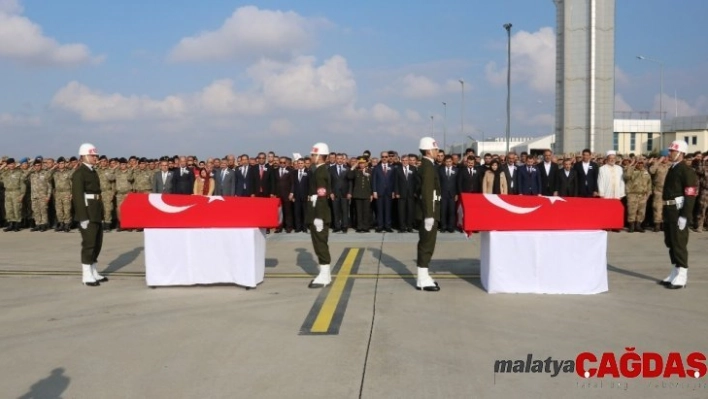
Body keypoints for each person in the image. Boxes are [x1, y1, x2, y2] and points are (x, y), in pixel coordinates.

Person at [659, 140, 699, 289]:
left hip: (678, 211)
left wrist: (684, 215)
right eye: (670, 151)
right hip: (669, 210)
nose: (670, 153)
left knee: (679, 243)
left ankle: (682, 274)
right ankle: (675, 271)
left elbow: (690, 194)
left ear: (681, 153)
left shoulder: (686, 171)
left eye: (673, 151)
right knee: (670, 242)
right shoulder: (673, 168)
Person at [72, 143, 107, 286]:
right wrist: (83, 217)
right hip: (87, 213)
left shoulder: (92, 171)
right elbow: (78, 196)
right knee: (89, 243)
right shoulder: (79, 173)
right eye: (92, 155)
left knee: (97, 243)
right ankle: (86, 275)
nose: (95, 158)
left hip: (95, 211)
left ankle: (93, 271)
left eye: (95, 155)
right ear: (84, 156)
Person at [415, 137, 441, 291]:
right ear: (429, 150)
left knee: (427, 244)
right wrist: (429, 215)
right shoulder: (428, 166)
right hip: (428, 211)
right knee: (426, 245)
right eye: (436, 149)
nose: (438, 152)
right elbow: (427, 191)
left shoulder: (428, 165)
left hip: (429, 209)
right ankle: (422, 279)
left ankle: (424, 276)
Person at [306, 143, 333, 288]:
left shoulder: (321, 172)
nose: (311, 157)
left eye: (313, 155)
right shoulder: (318, 170)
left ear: (318, 156)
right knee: (319, 243)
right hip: (318, 213)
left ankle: (324, 274)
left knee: (320, 244)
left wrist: (318, 218)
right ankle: (325, 275)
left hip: (319, 214)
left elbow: (322, 195)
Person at [623, 159, 652, 232]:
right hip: (632, 194)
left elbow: (649, 183)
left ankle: (638, 225)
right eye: (638, 163)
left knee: (641, 211)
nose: (640, 164)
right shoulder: (631, 170)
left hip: (642, 195)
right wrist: (632, 165)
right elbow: (626, 177)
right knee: (632, 211)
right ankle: (631, 226)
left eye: (641, 163)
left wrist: (648, 193)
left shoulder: (646, 172)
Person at [349, 157, 373, 233]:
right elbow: (349, 176)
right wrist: (354, 166)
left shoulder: (369, 171)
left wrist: (371, 193)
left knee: (366, 211)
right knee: (358, 211)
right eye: (360, 163)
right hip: (358, 194)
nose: (362, 165)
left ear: (366, 164)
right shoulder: (356, 171)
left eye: (363, 163)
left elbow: (371, 183)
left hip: (366, 194)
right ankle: (359, 226)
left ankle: (366, 227)